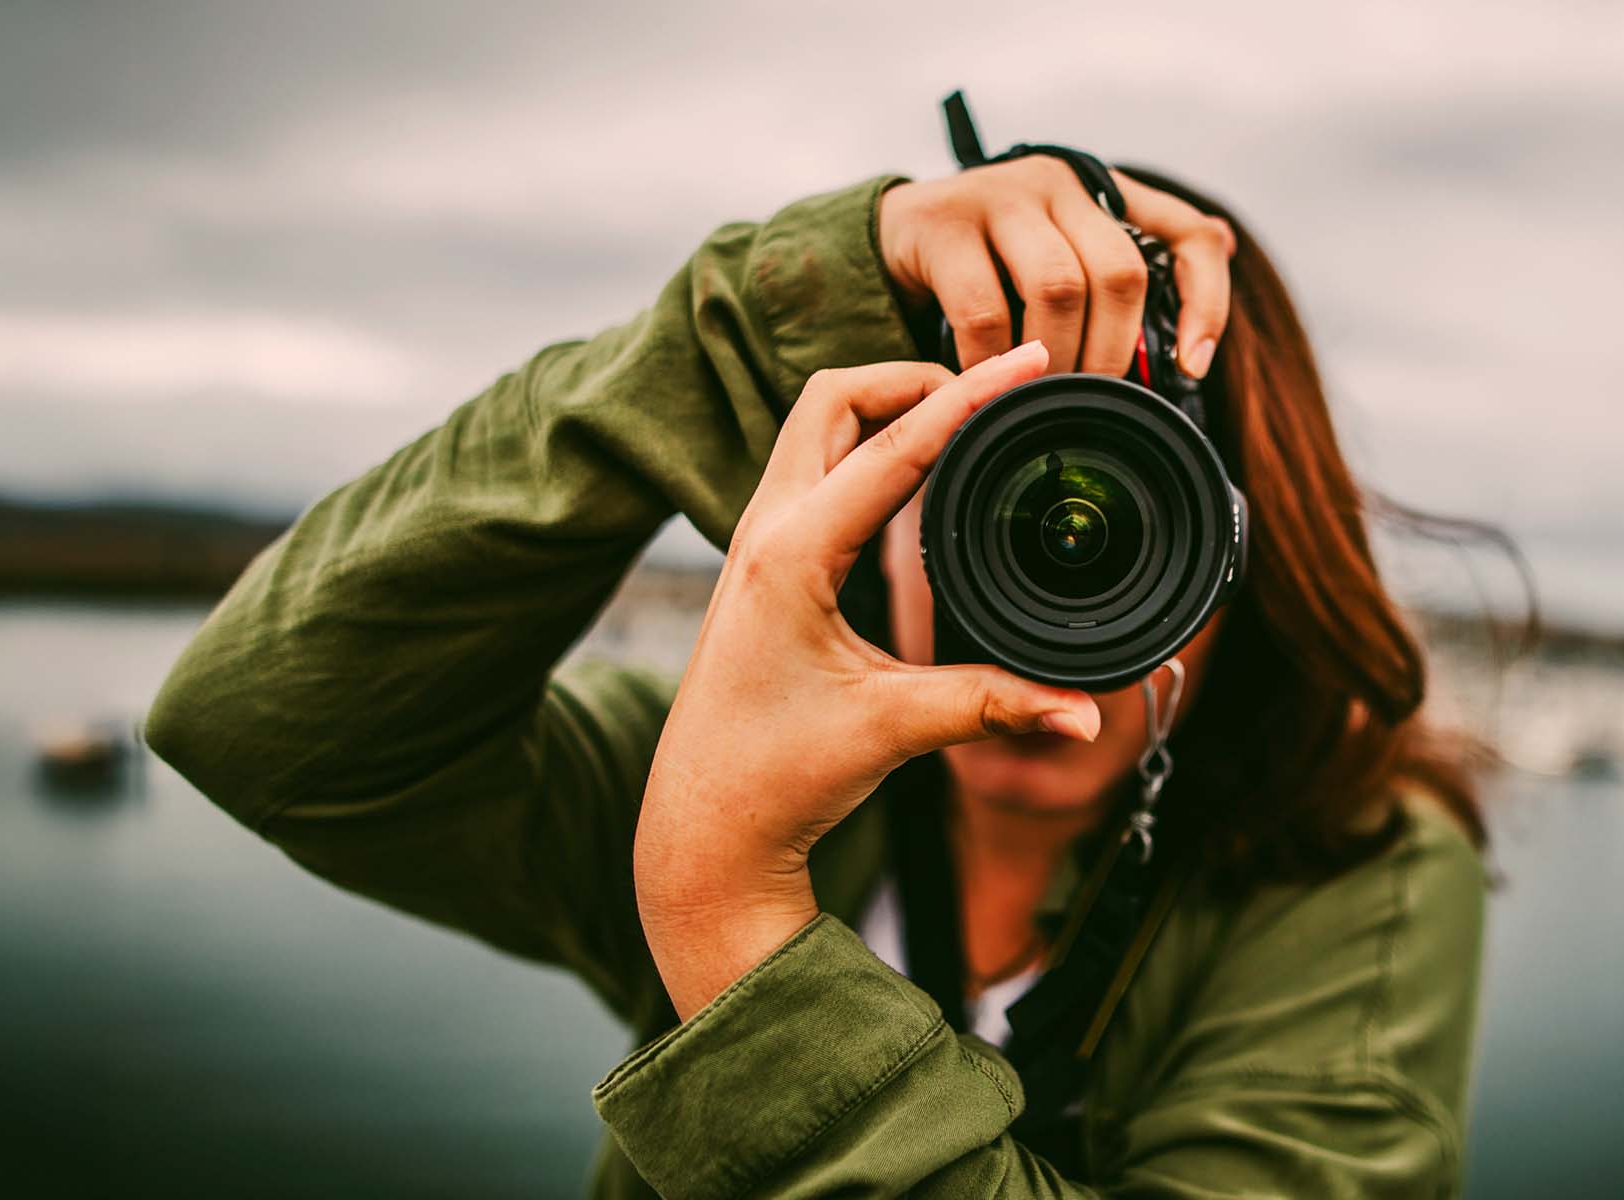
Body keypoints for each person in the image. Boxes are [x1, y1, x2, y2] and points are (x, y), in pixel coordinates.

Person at [144, 155, 1494, 1197]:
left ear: (1247, 557)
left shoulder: (1360, 868)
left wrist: (729, 915)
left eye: (1137, 523)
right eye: (978, 492)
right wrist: (733, 331)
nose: (1049, 607)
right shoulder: (713, 772)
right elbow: (261, 725)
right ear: (870, 509)